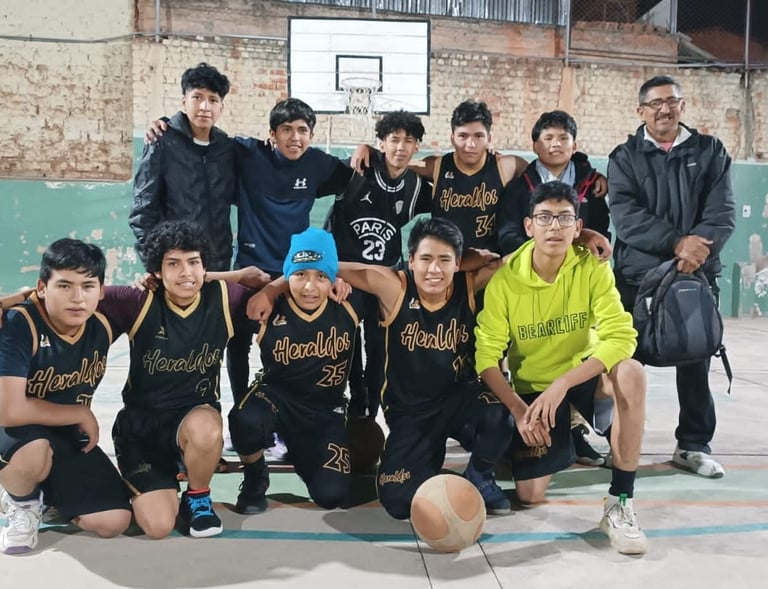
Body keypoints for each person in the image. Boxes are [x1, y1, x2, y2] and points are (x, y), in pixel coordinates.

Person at [475, 181, 649, 555]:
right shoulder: (505, 280)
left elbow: (622, 337)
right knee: (529, 495)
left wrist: (564, 385)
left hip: (582, 377)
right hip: (535, 387)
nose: (554, 226)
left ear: (577, 226)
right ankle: (560, 432)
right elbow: (486, 358)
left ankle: (620, 501)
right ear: (528, 226)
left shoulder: (592, 267)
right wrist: (518, 410)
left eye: (564, 218)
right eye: (544, 218)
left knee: (631, 372)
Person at [329, 217, 517, 519]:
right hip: (410, 414)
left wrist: (580, 235)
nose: (434, 269)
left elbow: (527, 256)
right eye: (426, 259)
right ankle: (425, 461)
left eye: (444, 260)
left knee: (502, 413)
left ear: (458, 263)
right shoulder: (393, 286)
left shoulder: (469, 284)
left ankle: (480, 475)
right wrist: (278, 289)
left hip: (458, 400)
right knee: (399, 503)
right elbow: (321, 261)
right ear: (411, 260)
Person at [608, 75, 736, 479]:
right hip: (637, 278)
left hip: (695, 274)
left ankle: (693, 445)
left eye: (672, 101)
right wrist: (677, 243)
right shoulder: (624, 157)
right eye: (655, 103)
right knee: (625, 364)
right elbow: (627, 218)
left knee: (696, 360)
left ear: (682, 105)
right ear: (641, 111)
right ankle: (620, 445)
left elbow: (722, 213)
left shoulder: (710, 151)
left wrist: (696, 252)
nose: (664, 109)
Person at [100, 221, 263, 539]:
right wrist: (8, 303)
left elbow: (279, 288)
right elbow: (73, 293)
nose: (186, 272)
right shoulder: (139, 300)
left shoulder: (225, 297)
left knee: (206, 426)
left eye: (194, 262)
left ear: (205, 266)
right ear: (156, 271)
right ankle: (136, 483)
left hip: (193, 421)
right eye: (173, 264)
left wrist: (330, 283)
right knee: (158, 526)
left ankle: (198, 498)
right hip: (142, 429)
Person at [0, 239, 132, 555]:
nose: (77, 297)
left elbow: (177, 285)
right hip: (13, 431)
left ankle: (47, 493)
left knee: (114, 521)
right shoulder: (20, 323)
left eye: (88, 286)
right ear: (41, 288)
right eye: (64, 286)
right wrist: (79, 413)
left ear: (101, 290)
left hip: (65, 435)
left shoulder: (104, 320)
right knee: (33, 452)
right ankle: (21, 501)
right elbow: (9, 410)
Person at [498, 109, 610, 466]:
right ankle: (549, 430)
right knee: (539, 356)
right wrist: (543, 255)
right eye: (548, 137)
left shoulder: (591, 183)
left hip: (578, 282)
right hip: (534, 282)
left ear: (574, 144)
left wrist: (583, 244)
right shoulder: (520, 187)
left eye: (563, 137)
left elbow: (600, 230)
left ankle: (587, 430)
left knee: (587, 355)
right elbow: (507, 233)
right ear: (535, 145)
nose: (556, 144)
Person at [229, 227, 364, 514]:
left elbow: (394, 278)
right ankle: (255, 475)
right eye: (300, 275)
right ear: (288, 274)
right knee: (244, 419)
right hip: (276, 399)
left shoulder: (350, 303)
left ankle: (302, 453)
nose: (309, 287)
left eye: (321, 277)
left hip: (324, 410)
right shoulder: (267, 304)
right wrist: (270, 289)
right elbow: (201, 290)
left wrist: (362, 407)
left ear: (333, 277)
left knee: (331, 495)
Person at [325, 109, 432, 418]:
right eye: (394, 140)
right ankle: (351, 397)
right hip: (346, 275)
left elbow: (454, 183)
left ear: (416, 147)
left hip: (385, 276)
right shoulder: (355, 170)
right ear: (381, 143)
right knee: (344, 340)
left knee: (379, 346)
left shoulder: (416, 187)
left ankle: (371, 410)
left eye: (408, 141)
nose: (400, 147)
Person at [130, 62, 236, 272]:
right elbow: (143, 211)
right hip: (177, 263)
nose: (205, 107)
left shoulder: (226, 147)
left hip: (218, 263)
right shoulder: (162, 141)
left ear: (221, 108)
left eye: (213, 100)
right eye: (197, 97)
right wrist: (155, 265)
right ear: (184, 101)